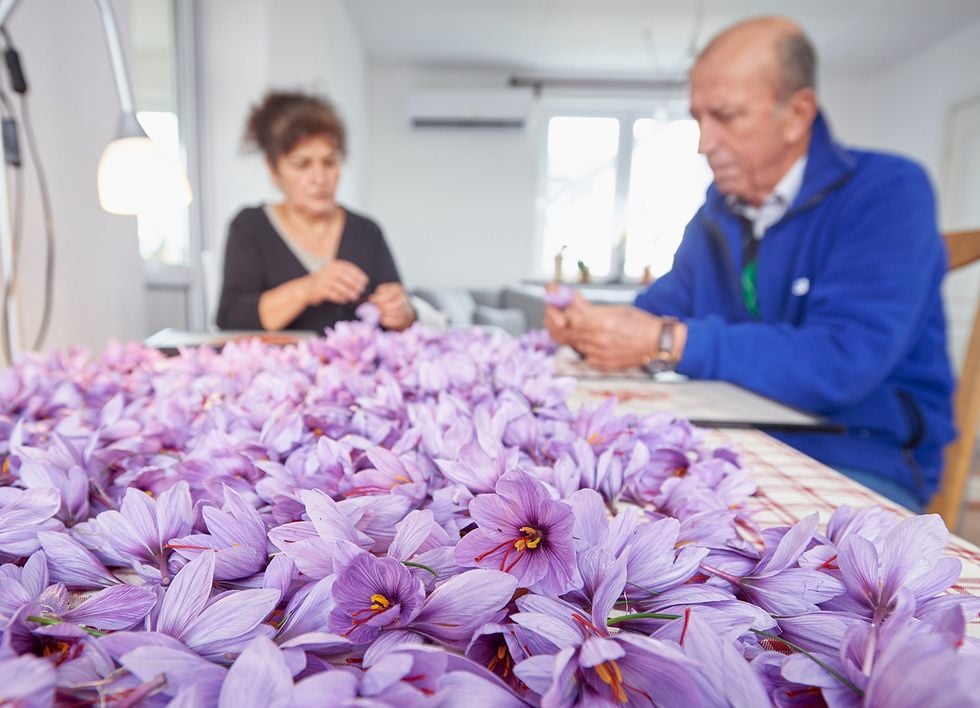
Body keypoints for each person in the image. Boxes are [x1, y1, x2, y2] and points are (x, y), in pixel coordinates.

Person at [546, 17, 955, 512]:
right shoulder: (716, 214)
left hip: (858, 453)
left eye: (726, 116)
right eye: (698, 118)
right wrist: (594, 328)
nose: (703, 143)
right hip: (727, 441)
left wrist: (667, 340)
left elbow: (844, 359)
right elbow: (655, 312)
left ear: (797, 113)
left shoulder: (888, 191)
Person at [216, 91, 415, 333]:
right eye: (302, 164)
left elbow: (403, 314)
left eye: (329, 162)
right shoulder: (250, 227)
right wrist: (308, 289)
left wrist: (402, 312)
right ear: (273, 170)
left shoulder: (366, 231)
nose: (319, 178)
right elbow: (230, 318)